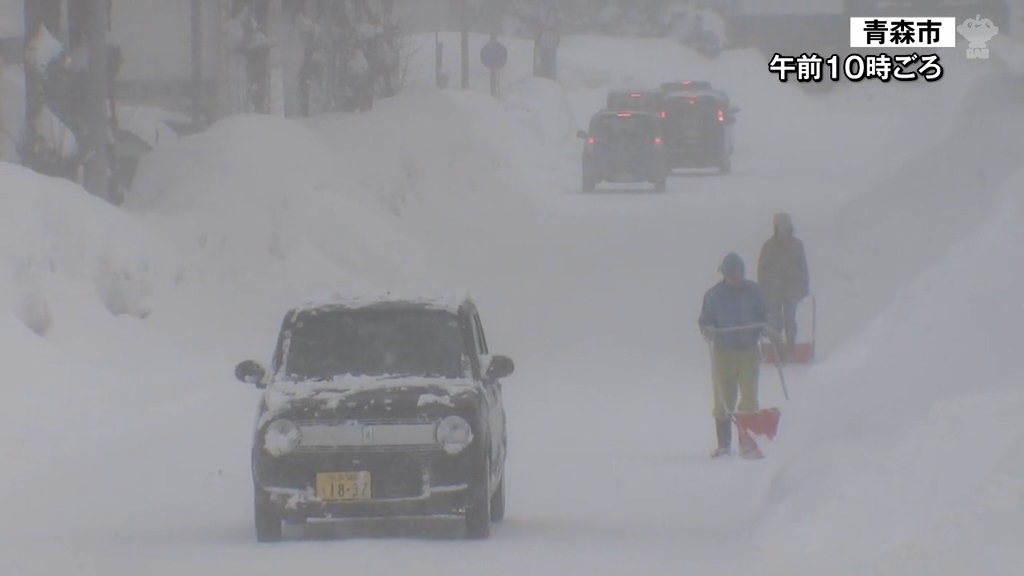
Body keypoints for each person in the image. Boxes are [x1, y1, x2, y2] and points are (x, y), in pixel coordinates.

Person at [698, 252, 775, 457]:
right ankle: (724, 444)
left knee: (749, 394)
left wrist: (766, 326)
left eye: (738, 273)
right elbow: (705, 319)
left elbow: (765, 313)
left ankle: (748, 441)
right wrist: (708, 330)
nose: (735, 278)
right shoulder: (713, 295)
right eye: (731, 275)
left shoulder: (754, 292)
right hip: (723, 351)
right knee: (724, 397)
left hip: (748, 350)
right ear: (724, 275)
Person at [757, 212, 809, 362]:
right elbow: (762, 269)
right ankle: (778, 349)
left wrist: (803, 286)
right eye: (780, 226)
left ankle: (790, 348)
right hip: (774, 291)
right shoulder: (769, 247)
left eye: (785, 225)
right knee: (775, 321)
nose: (783, 229)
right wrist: (763, 289)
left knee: (789, 319)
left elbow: (803, 268)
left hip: (792, 289)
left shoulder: (797, 246)